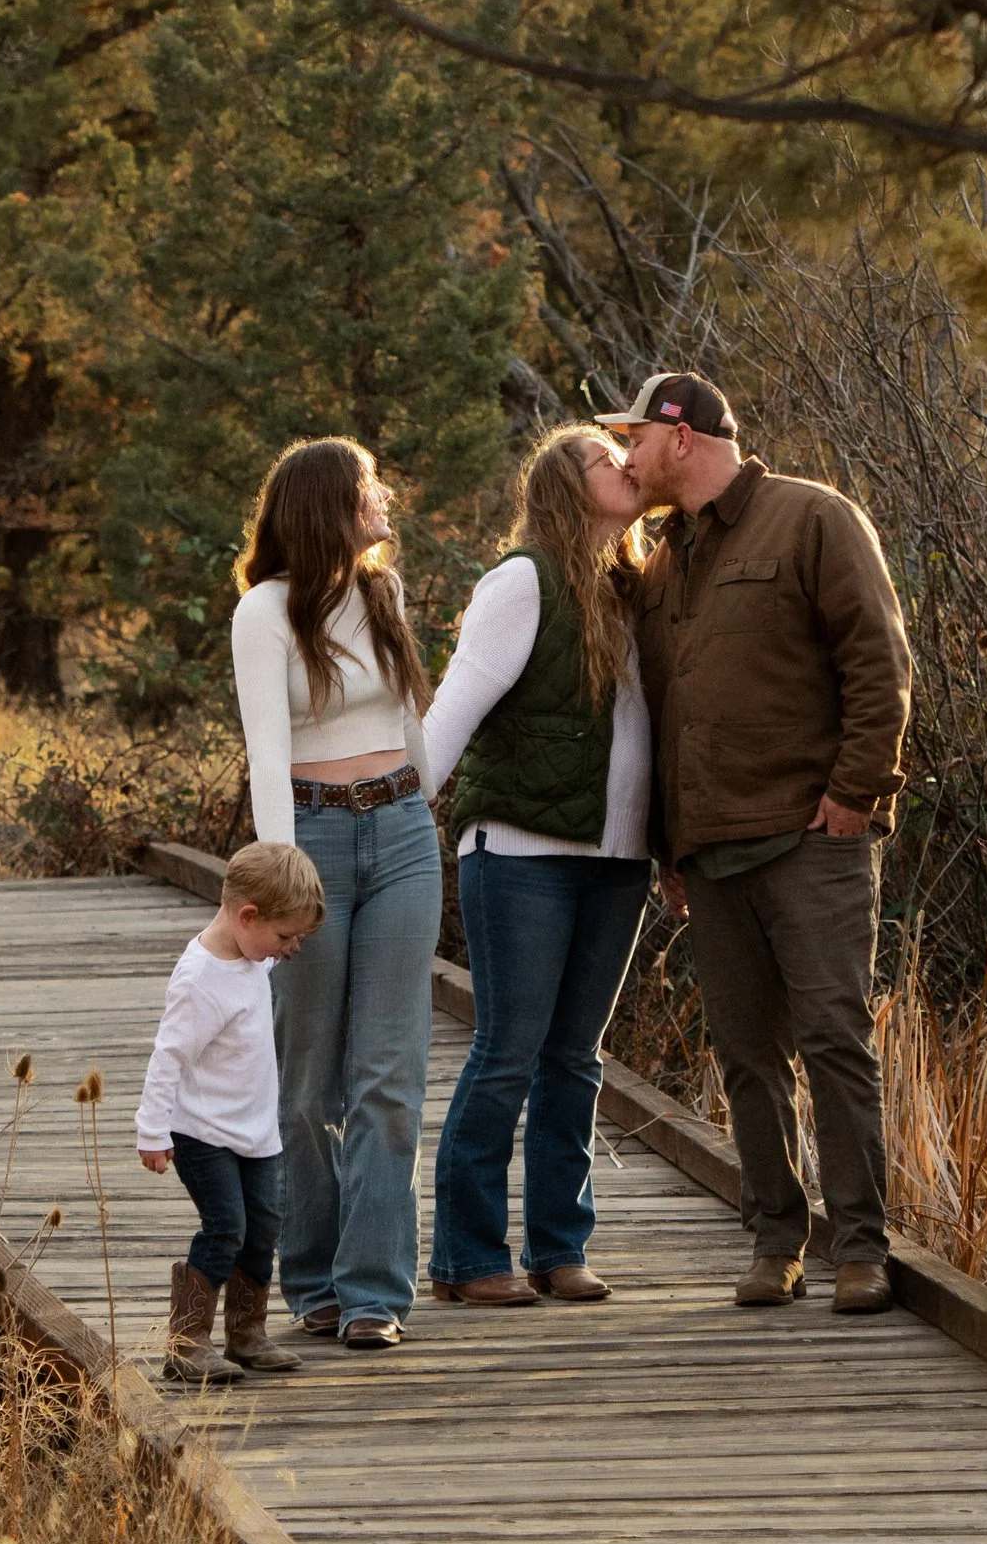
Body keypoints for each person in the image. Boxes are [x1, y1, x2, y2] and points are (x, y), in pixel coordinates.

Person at [607, 370, 913, 1316]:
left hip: (809, 837)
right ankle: (776, 1242)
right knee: (746, 1056)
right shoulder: (662, 559)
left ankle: (861, 1247)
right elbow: (660, 707)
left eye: (636, 439)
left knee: (833, 1041)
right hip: (709, 852)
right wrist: (670, 848)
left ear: (683, 438)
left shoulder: (813, 519)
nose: (626, 456)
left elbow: (880, 659)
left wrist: (856, 794)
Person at [420, 427, 655, 1305]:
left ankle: (560, 1249)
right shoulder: (524, 582)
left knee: (575, 1058)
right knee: (508, 1052)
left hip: (617, 858)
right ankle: (470, 1259)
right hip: (520, 852)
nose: (625, 467)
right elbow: (450, 714)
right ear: (564, 483)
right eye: (605, 459)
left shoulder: (634, 590)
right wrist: (403, 827)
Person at [232, 436, 440, 1354]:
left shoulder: (384, 594)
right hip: (309, 836)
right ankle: (311, 1279)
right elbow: (267, 753)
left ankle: (373, 1293)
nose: (383, 498)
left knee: (389, 1081)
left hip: (401, 834)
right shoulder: (265, 613)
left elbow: (414, 724)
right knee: (308, 1078)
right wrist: (282, 879)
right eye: (367, 489)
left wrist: (440, 818)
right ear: (327, 507)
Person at [134, 837, 325, 1387]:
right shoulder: (200, 982)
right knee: (226, 1228)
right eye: (286, 936)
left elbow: (262, 959)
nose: (291, 948)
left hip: (255, 1131)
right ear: (247, 916)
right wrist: (152, 1129)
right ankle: (187, 1341)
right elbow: (168, 1056)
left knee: (263, 1228)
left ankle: (247, 1332)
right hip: (200, 1132)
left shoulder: (250, 956)